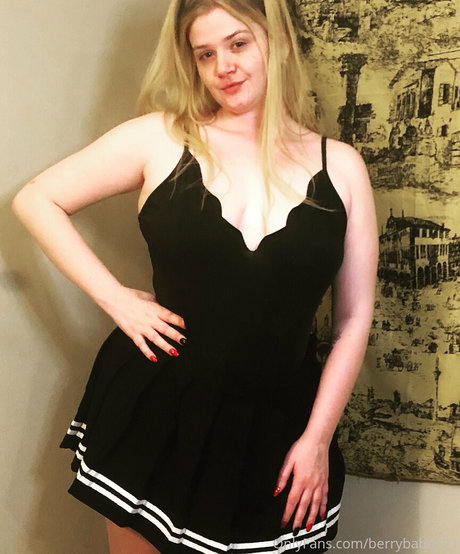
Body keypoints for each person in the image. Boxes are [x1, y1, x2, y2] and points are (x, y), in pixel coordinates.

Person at [12, 1, 379, 553]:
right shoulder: (161, 138)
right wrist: (116, 299)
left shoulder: (343, 167)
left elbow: (353, 320)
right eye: (205, 54)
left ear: (279, 42)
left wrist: (317, 439)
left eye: (238, 44)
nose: (222, 66)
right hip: (158, 412)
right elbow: (37, 199)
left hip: (279, 431)